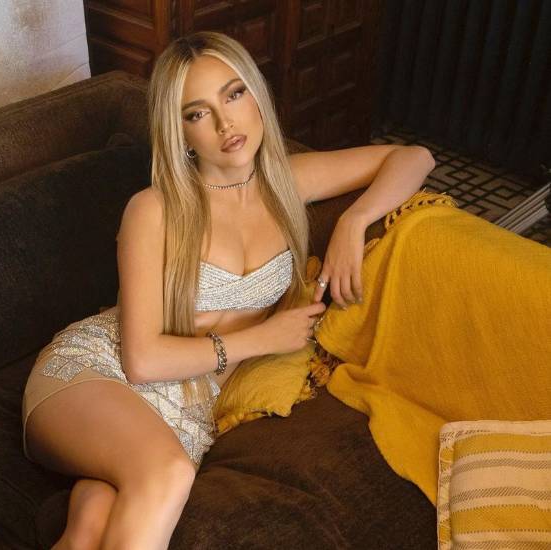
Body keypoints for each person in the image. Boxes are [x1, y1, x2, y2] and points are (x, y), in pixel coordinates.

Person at [21, 30, 435, 550]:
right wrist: (264, 338)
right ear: (180, 131)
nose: (225, 124)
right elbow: (141, 361)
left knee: (91, 526)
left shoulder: (289, 182)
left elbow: (415, 157)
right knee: (167, 473)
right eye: (198, 113)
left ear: (257, 95)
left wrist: (354, 221)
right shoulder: (155, 209)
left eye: (234, 94)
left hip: (183, 415)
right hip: (94, 375)